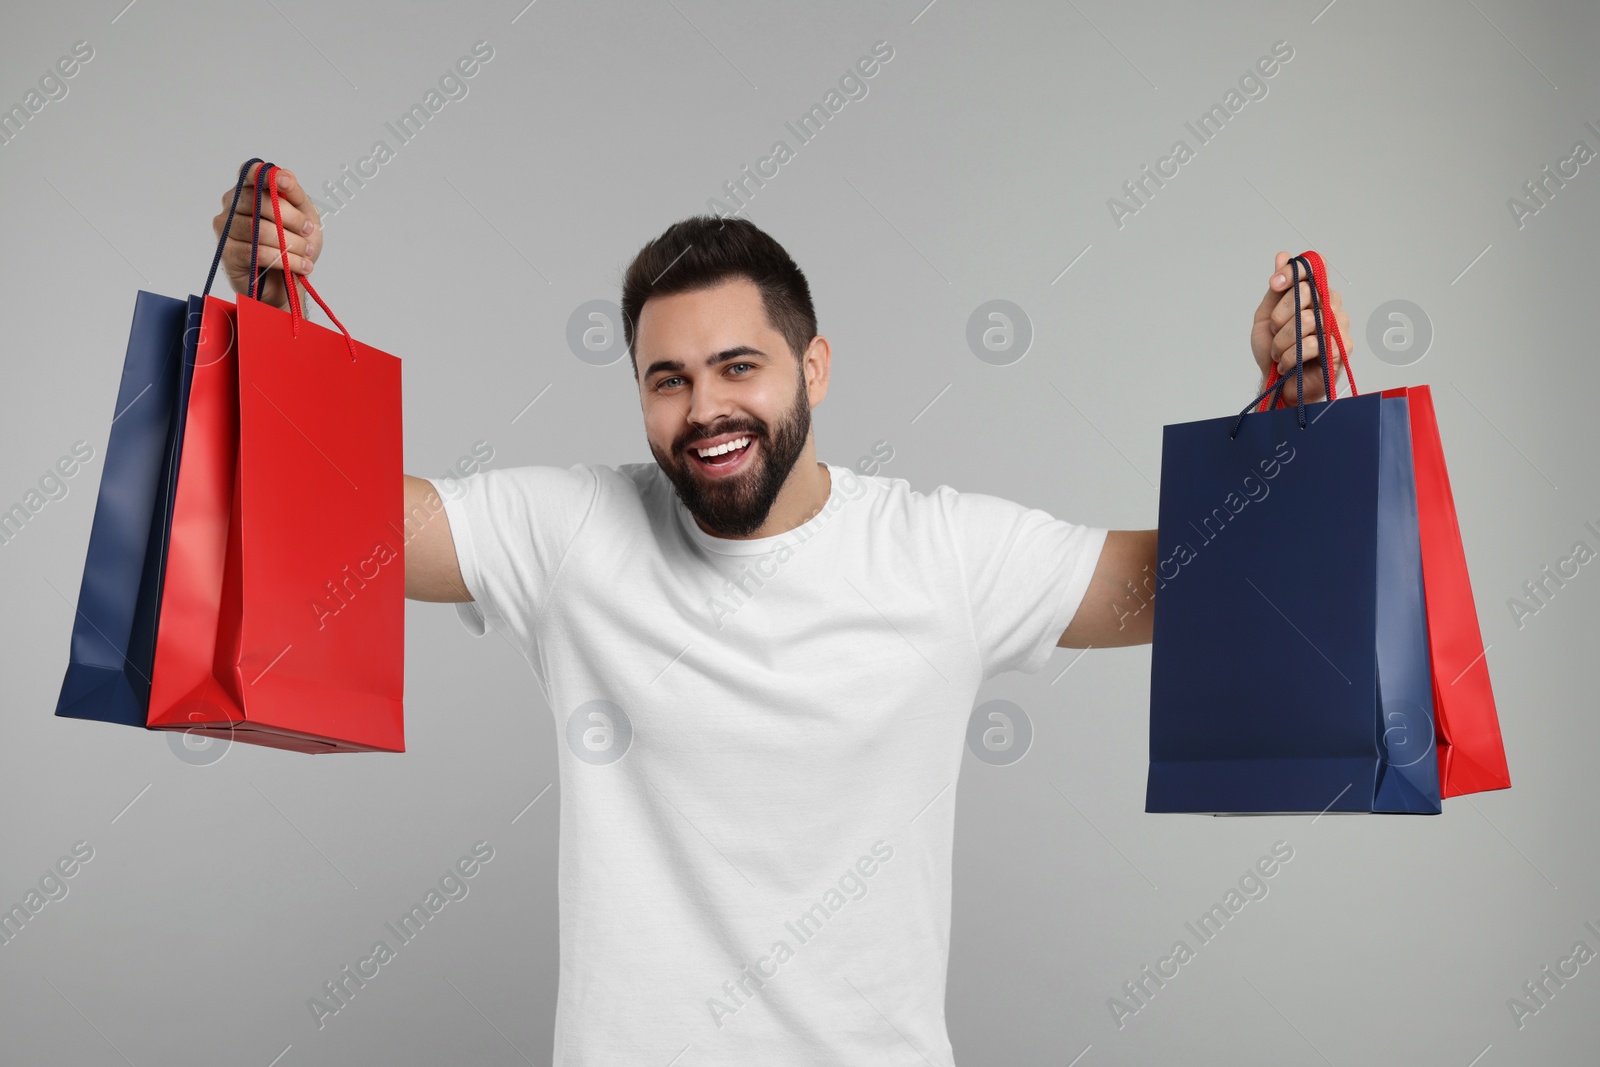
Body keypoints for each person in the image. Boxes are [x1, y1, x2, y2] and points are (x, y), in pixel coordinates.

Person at [212, 161, 1350, 1065]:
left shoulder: (940, 548)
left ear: (813, 368)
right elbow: (340, 518)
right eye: (668, 378)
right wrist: (270, 320)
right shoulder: (570, 532)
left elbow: (1189, 580)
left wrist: (1297, 428)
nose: (705, 406)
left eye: (737, 366)